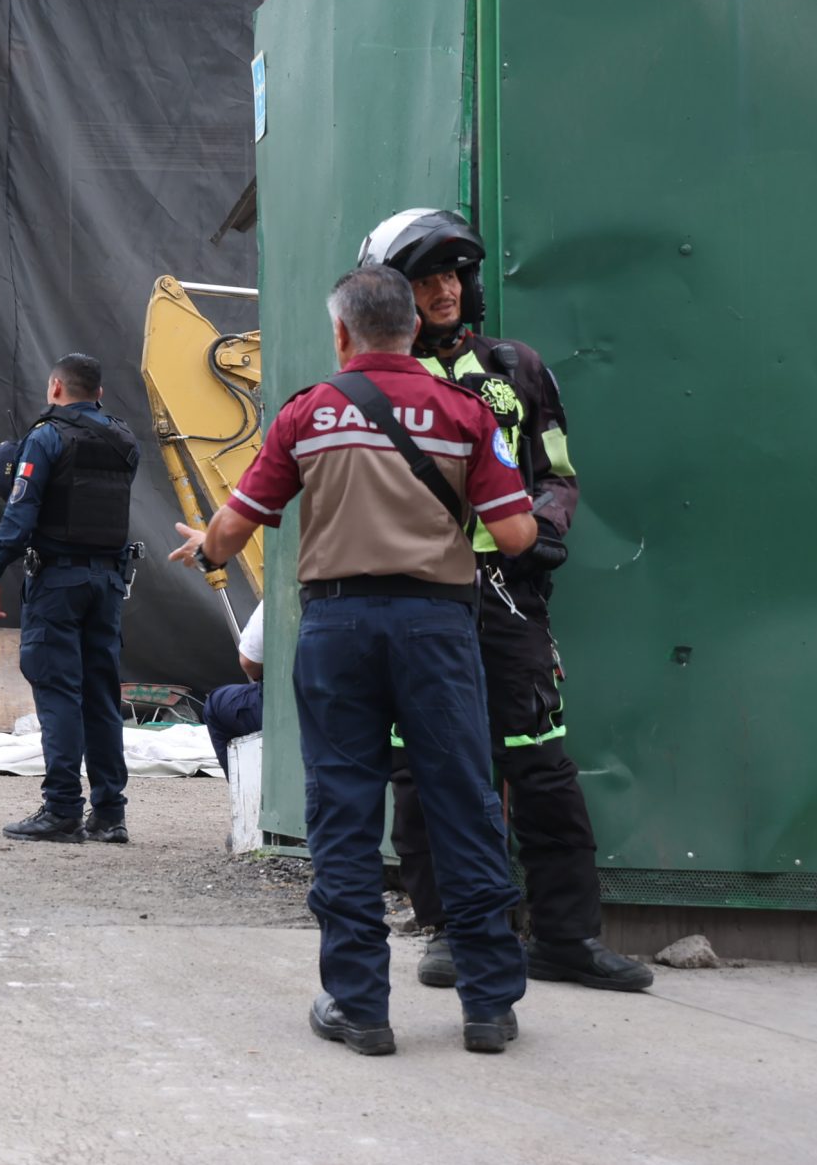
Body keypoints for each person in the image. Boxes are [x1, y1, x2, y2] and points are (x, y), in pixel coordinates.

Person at [172, 264, 536, 1056]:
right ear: (413, 326)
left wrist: (206, 542)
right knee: (464, 803)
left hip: (338, 627)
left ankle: (360, 1005)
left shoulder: (310, 413)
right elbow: (515, 535)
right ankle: (488, 1007)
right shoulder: (465, 412)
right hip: (438, 627)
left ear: (341, 332)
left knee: (343, 809)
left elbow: (232, 533)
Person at [356, 211, 654, 995]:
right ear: (395, 294)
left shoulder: (516, 365)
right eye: (426, 280)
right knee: (426, 768)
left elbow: (557, 471)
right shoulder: (379, 384)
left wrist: (547, 527)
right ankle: (452, 928)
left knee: (542, 765)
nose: (446, 290)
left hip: (506, 598)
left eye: (455, 274)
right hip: (417, 599)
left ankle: (565, 935)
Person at [0, 354, 141, 845]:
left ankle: (63, 809)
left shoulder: (46, 437)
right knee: (100, 695)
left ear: (54, 388)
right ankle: (110, 814)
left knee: (58, 691)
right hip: (109, 584)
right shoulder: (124, 440)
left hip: (58, 585)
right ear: (100, 393)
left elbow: (20, 511)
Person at [202, 606, 264, 776]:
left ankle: (251, 796)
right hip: (336, 702)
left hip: (287, 705)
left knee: (216, 704)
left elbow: (249, 662)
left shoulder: (281, 595)